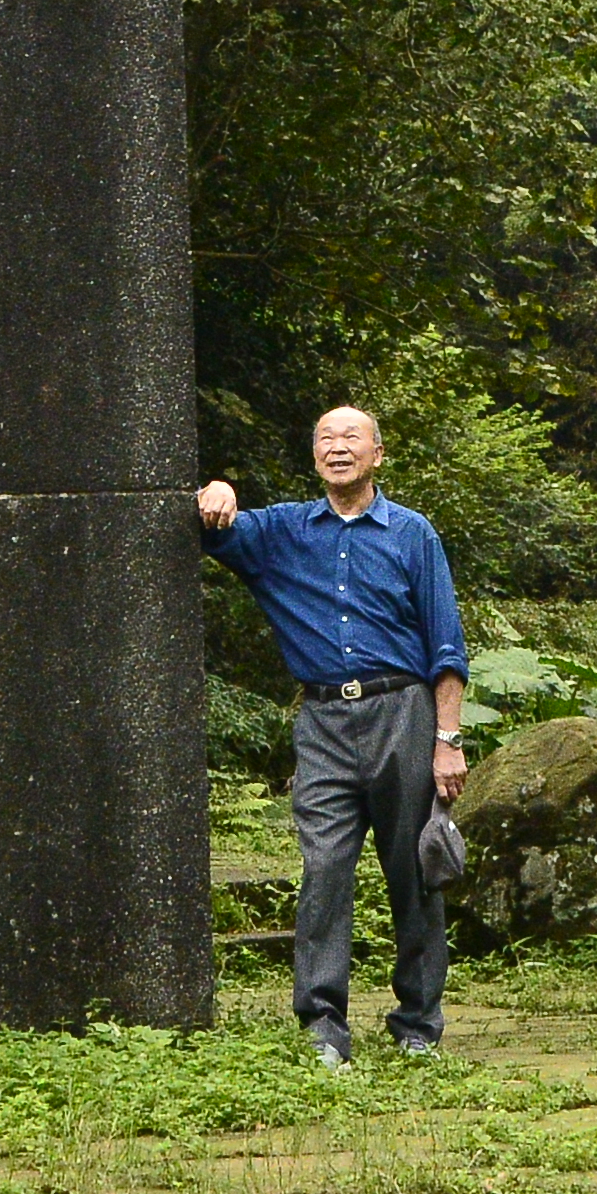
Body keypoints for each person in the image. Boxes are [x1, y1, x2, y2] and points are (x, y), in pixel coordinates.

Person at [194, 407, 473, 1067]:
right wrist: (217, 491)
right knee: (323, 869)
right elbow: (214, 529)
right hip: (321, 720)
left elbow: (447, 645)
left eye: (352, 439)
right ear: (314, 456)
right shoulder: (283, 530)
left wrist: (448, 738)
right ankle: (322, 1025)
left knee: (414, 873)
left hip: (403, 713)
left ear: (377, 455)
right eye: (325, 439)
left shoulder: (412, 534)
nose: (337, 448)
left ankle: (417, 1023)